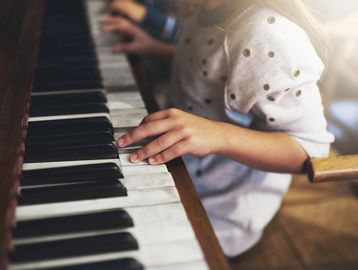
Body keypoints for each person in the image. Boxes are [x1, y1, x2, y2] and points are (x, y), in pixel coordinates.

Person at [103, 0, 335, 257]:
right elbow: (216, 63)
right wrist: (158, 49)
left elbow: (310, 150)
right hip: (180, 168)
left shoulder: (269, 38)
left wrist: (218, 135)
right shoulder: (204, 6)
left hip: (221, 207)